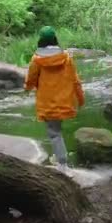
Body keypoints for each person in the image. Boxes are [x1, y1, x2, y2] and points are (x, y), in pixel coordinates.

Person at [25, 26, 85, 172]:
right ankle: (60, 158)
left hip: (47, 101)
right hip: (64, 100)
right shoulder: (66, 57)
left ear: (41, 39)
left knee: (54, 132)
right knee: (57, 130)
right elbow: (75, 79)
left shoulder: (37, 59)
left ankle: (62, 164)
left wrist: (26, 89)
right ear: (54, 39)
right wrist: (80, 97)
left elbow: (31, 79)